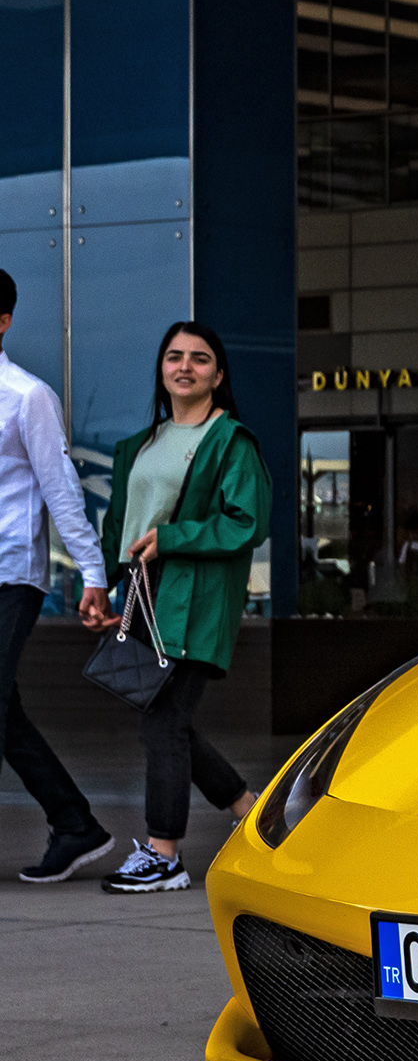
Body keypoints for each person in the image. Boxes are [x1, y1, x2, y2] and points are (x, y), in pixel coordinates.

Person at [81, 322, 271, 895]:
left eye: (199, 358)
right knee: (167, 721)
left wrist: (173, 538)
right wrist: (113, 591)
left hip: (194, 598)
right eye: (173, 357)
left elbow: (248, 522)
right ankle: (246, 806)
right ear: (161, 369)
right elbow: (127, 524)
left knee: (163, 721)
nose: (185, 367)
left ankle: (164, 854)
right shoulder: (145, 442)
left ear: (218, 374)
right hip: (147, 590)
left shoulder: (229, 440)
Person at [0, 271, 118, 883]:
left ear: (3, 322)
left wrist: (93, 575)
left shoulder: (28, 397)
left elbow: (62, 491)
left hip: (10, 575)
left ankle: (75, 824)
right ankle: (75, 824)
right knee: (4, 715)